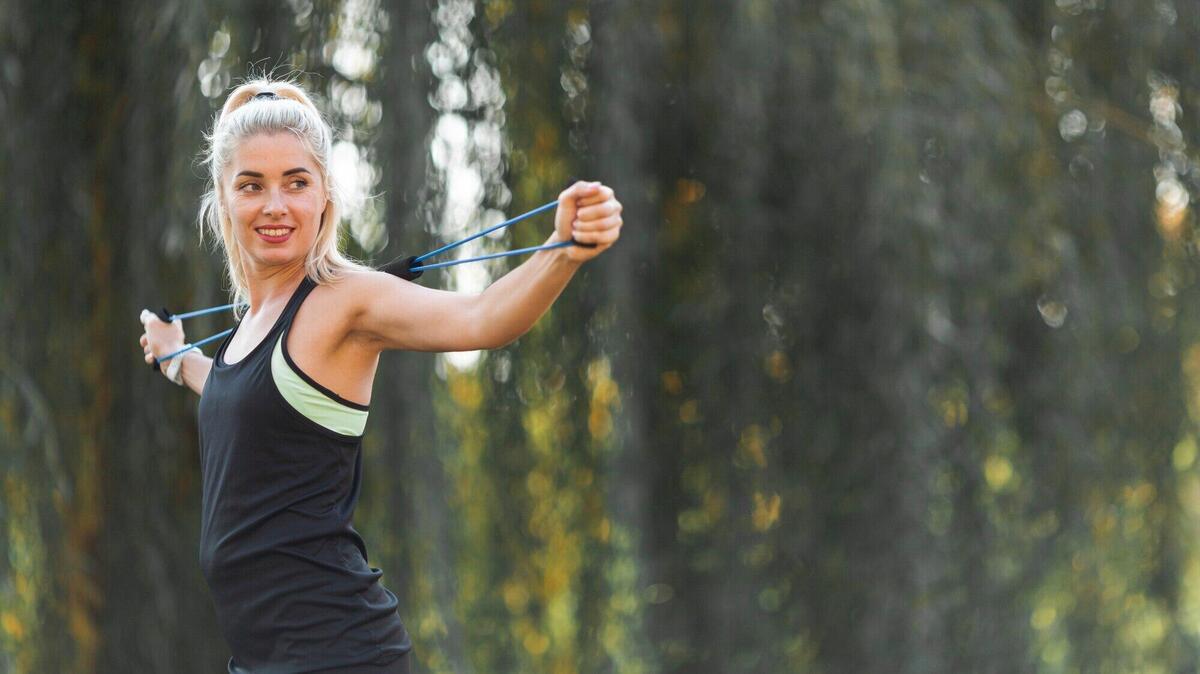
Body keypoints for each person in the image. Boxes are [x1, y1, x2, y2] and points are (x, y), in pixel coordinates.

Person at [138, 77, 622, 673]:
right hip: (263, 659)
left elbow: (481, 318)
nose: (274, 206)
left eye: (296, 182)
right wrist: (175, 357)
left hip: (337, 655)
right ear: (223, 197)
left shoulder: (345, 302)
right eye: (251, 185)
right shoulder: (251, 327)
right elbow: (234, 397)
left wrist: (562, 249)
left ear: (324, 196)